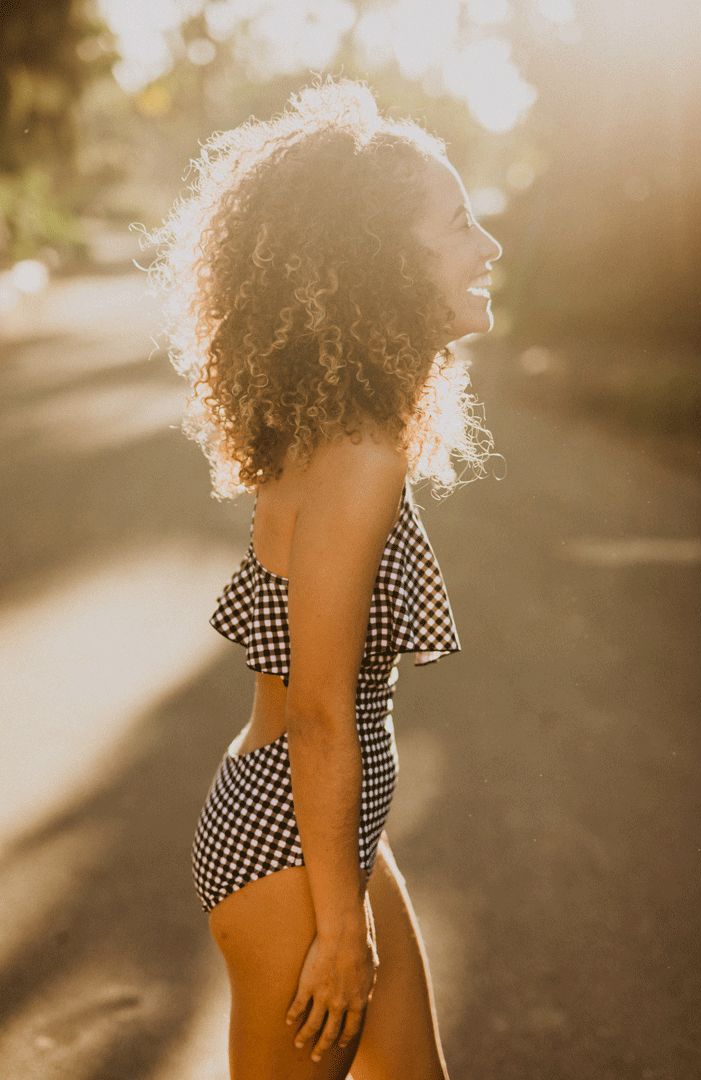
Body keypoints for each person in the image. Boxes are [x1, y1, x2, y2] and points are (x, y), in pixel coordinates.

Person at [151, 78, 501, 1080]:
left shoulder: (354, 432)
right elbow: (317, 711)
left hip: (325, 838)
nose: (489, 248)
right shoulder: (358, 458)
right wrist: (338, 928)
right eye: (460, 223)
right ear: (382, 260)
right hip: (290, 851)